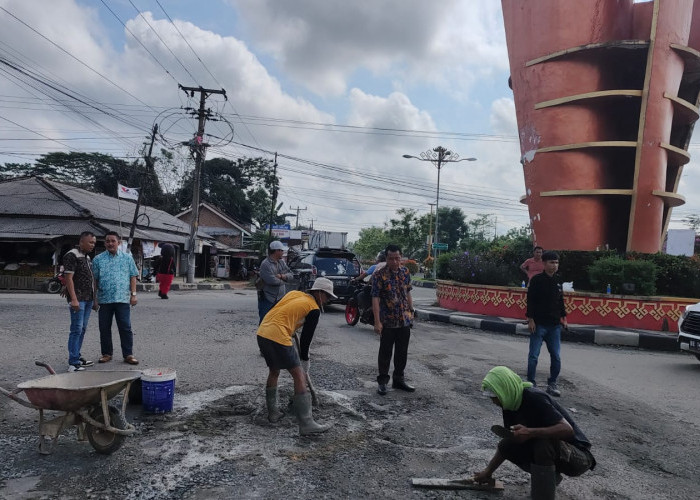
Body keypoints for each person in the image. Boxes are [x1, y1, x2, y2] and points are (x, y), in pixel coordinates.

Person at [474, 366, 596, 499]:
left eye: (494, 396)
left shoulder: (534, 398)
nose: (493, 401)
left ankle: (543, 496)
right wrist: (488, 471)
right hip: (558, 453)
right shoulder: (510, 403)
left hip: (579, 458)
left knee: (542, 444)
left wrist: (530, 432)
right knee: (507, 444)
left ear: (505, 389)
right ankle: (549, 478)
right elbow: (511, 442)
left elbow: (567, 430)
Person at [257, 277, 336, 435]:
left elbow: (276, 309)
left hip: (263, 331)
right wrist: (305, 360)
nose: (327, 300)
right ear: (319, 293)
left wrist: (290, 326)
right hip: (278, 335)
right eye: (327, 296)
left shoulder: (294, 294)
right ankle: (306, 423)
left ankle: (273, 413)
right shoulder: (313, 308)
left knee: (274, 371)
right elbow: (306, 340)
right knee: (299, 375)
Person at [371, 244, 415, 395]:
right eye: (391, 259)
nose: (395, 262)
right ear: (386, 258)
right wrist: (377, 322)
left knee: (402, 352)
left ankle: (398, 380)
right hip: (388, 320)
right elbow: (375, 299)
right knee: (385, 352)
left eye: (397, 258)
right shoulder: (379, 274)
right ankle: (383, 382)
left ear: (401, 258)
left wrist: (411, 311)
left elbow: (408, 292)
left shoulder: (405, 272)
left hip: (404, 319)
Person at [92, 231, 140, 365]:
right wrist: (94, 298)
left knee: (125, 327)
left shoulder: (127, 258)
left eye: (113, 241)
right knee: (104, 327)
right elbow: (94, 280)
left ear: (119, 243)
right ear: (104, 243)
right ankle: (106, 353)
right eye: (107, 241)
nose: (110, 243)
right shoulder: (98, 259)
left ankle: (128, 354)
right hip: (104, 299)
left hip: (122, 299)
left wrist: (134, 295)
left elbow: (133, 276)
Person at [526, 251, 567, 396]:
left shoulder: (558, 281)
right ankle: (531, 382)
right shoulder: (537, 280)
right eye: (551, 262)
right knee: (534, 356)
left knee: (556, 356)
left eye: (556, 263)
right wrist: (530, 319)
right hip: (538, 324)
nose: (554, 265)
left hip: (554, 325)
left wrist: (564, 317)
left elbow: (560, 300)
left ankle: (552, 383)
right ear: (544, 263)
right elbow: (530, 300)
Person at [63, 231, 97, 372]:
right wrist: (74, 299)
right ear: (81, 241)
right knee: (76, 329)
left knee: (82, 329)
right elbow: (68, 278)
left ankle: (77, 355)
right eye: (90, 242)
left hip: (88, 298)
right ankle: (73, 363)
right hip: (78, 299)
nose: (92, 245)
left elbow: (91, 279)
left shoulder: (87, 257)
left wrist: (95, 300)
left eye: (94, 243)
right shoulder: (72, 255)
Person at [258, 240, 293, 324]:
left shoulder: (281, 262)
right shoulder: (265, 264)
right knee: (265, 322)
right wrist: (285, 280)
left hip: (280, 299)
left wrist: (282, 276)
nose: (283, 252)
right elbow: (272, 281)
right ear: (276, 251)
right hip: (267, 298)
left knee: (277, 323)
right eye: (281, 250)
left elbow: (291, 275)